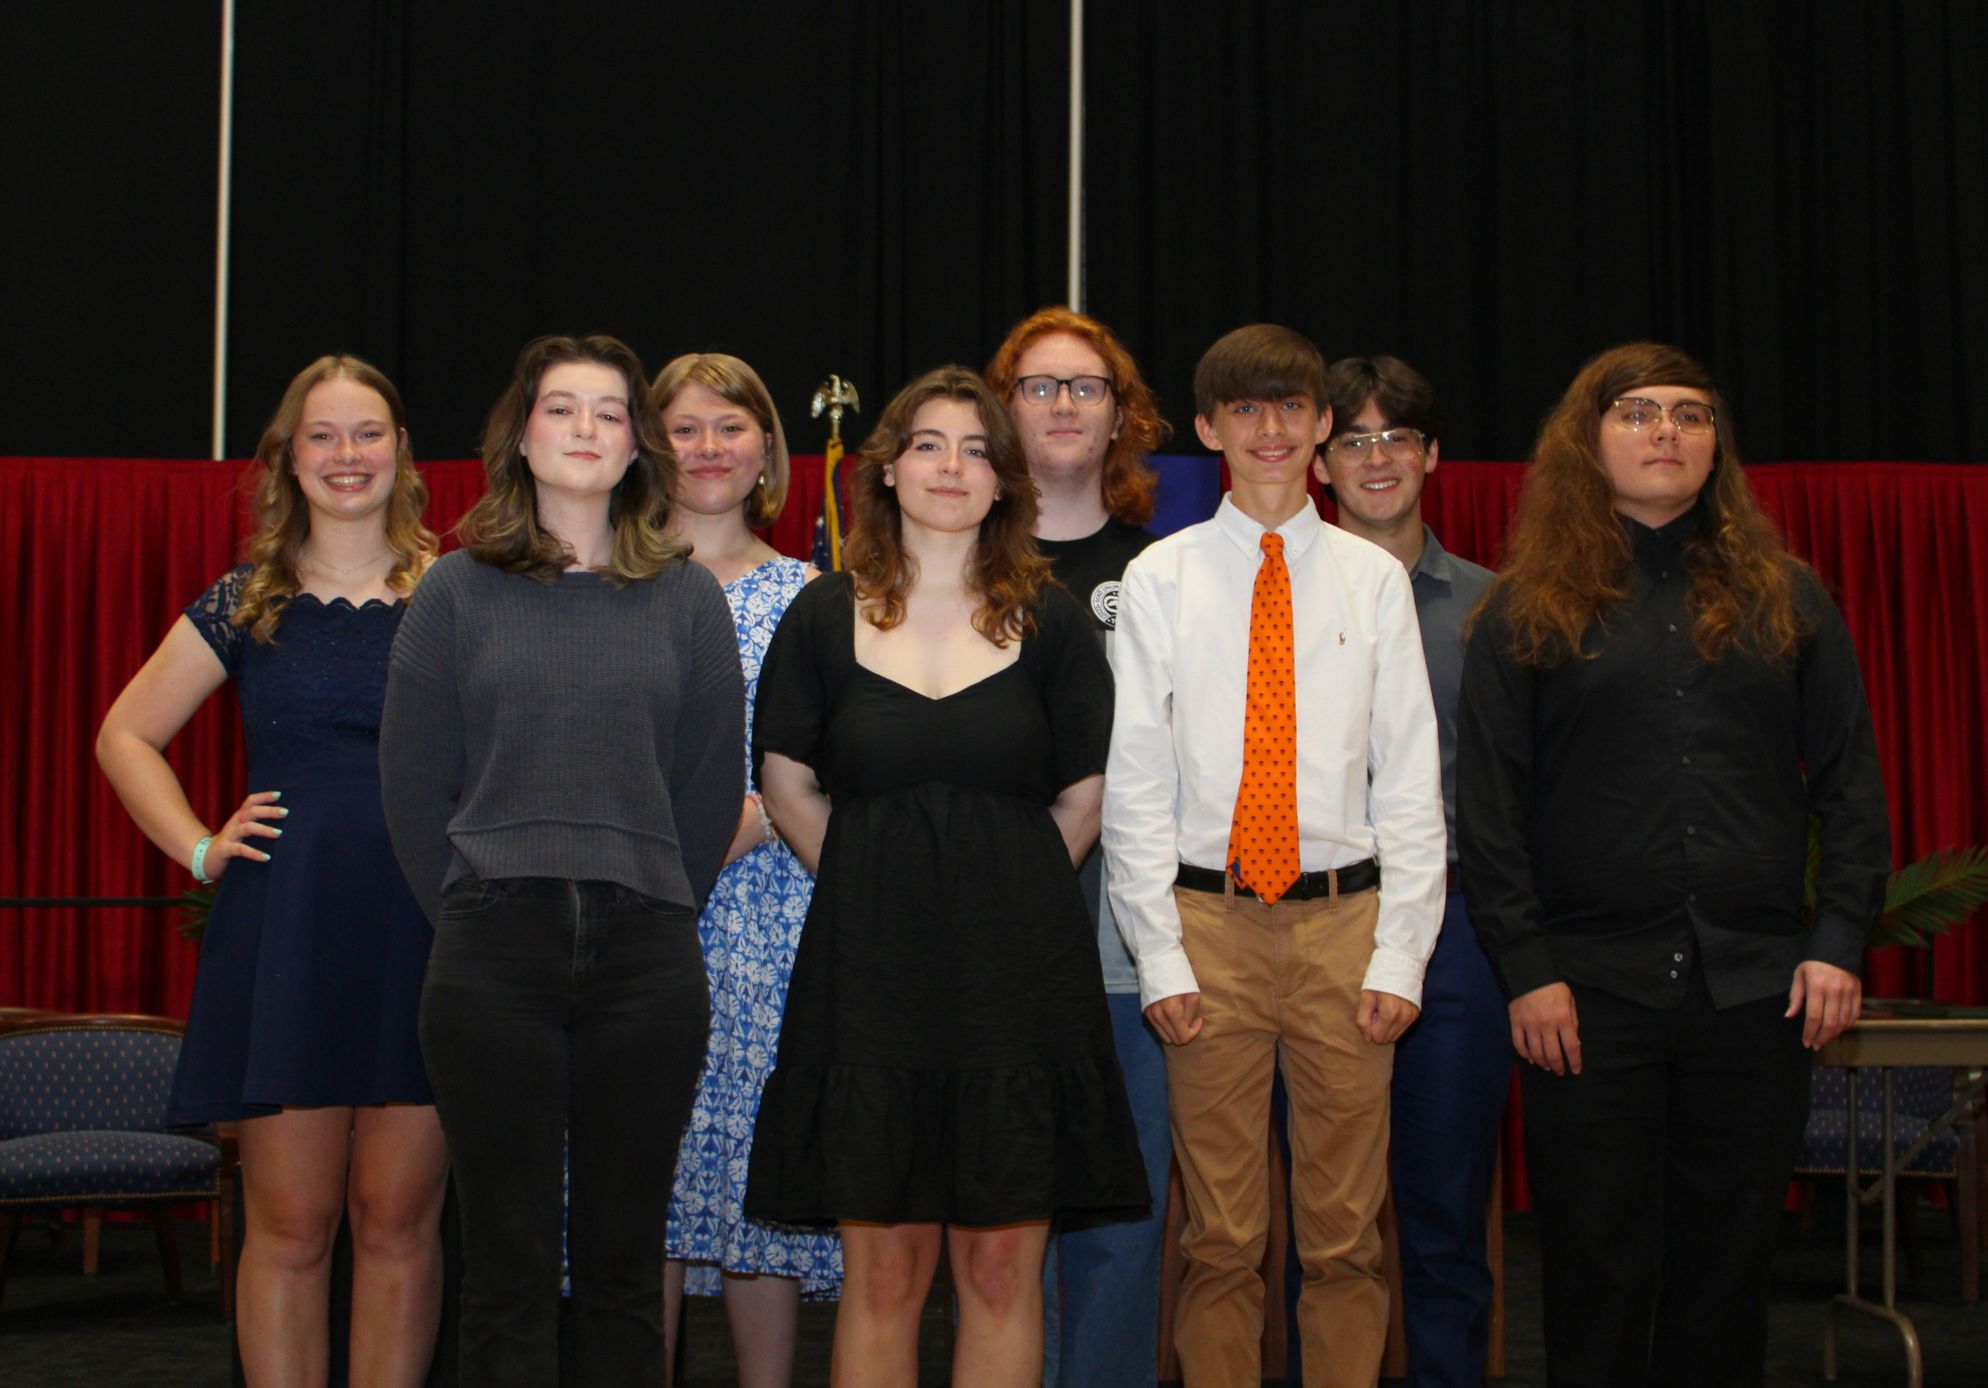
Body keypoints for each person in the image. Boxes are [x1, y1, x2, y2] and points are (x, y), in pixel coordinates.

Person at [1456, 341, 1890, 1386]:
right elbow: (1488, 810)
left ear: (1713, 446)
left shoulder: (1786, 596)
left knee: (1727, 1266)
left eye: (1688, 415)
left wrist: (1834, 941)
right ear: (1588, 439)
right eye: (1638, 412)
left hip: (1755, 989)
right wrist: (1527, 968)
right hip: (1582, 993)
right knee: (1595, 1266)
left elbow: (1851, 787)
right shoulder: (1525, 606)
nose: (1664, 432)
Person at [744, 366, 1149, 1388]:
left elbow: (1087, 793)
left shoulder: (1054, 622)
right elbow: (785, 779)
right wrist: (884, 887)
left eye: (976, 449)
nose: (951, 467)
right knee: (882, 1271)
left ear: (1004, 480)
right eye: (928, 443)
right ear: (884, 469)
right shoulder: (820, 613)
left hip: (1016, 979)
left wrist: (992, 890)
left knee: (1000, 1264)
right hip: (869, 980)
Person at [379, 334, 743, 1385]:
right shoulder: (452, 591)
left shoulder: (685, 598)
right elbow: (412, 789)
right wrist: (472, 921)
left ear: (636, 445)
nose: (586, 429)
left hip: (646, 955)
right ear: (521, 438)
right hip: (492, 946)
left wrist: (659, 903)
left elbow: (708, 788)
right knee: (506, 1261)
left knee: (628, 1263)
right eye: (561, 409)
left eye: (609, 412)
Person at [1103, 324, 1447, 1387]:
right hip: (1205, 926)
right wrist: (1159, 958)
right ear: (1207, 429)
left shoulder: (1368, 580)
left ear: (1321, 425)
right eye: (1243, 409)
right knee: (1218, 1231)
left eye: (1288, 408)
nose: (1268, 429)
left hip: (1346, 924)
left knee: (1344, 1232)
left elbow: (1410, 785)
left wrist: (1399, 956)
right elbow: (1135, 786)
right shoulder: (1159, 577)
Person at [96, 355, 448, 1386]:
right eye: (324, 436)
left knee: (397, 1221)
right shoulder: (247, 600)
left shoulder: (455, 594)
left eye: (368, 432)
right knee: (291, 1226)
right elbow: (125, 733)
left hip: (422, 927)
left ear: (400, 453)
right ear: (287, 459)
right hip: (284, 927)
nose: (348, 455)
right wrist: (200, 845)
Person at [985, 306, 1172, 1387]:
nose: (1061, 404)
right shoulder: (959, 569)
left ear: (1119, 421)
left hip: (1126, 937)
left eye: (1085, 386)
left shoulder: (1166, 572)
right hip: (985, 935)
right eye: (1037, 385)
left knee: (1118, 1204)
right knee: (1000, 1217)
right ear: (1001, 413)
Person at [1318, 356, 1509, 1387]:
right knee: (1313, 1221)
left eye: (1397, 437)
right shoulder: (1272, 601)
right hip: (1302, 931)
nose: (1376, 457)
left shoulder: (1491, 611)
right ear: (1318, 461)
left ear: (1432, 454)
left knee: (1440, 1213)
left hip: (1453, 941)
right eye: (1353, 438)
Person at [653, 352, 841, 1386]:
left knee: (754, 1187)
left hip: (774, 913)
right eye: (684, 427)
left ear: (767, 447)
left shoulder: (814, 594)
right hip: (646, 916)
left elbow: (844, 753)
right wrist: (676, 835)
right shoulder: (616, 584)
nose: (709, 447)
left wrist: (756, 816)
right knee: (651, 1191)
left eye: (730, 425)